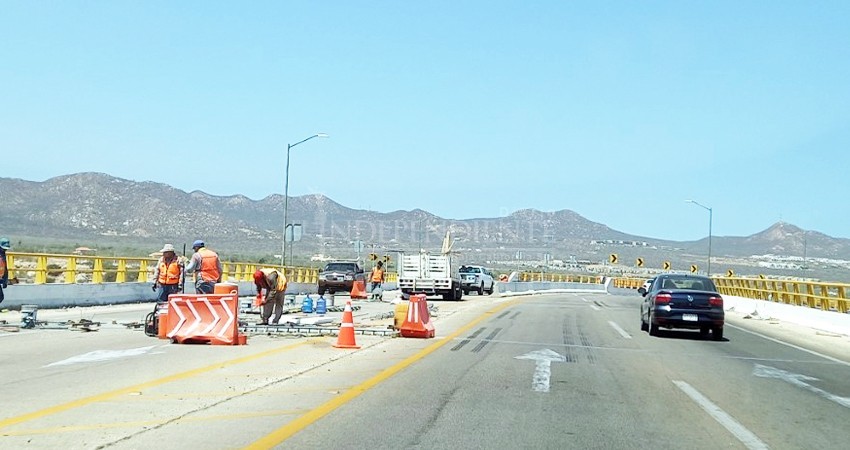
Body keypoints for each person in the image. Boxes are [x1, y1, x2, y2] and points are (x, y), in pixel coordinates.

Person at [0, 237, 10, 305]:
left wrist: (5, 280)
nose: (5, 250)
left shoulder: (3, 254)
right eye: (4, 248)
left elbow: (4, 268)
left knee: (1, 297)